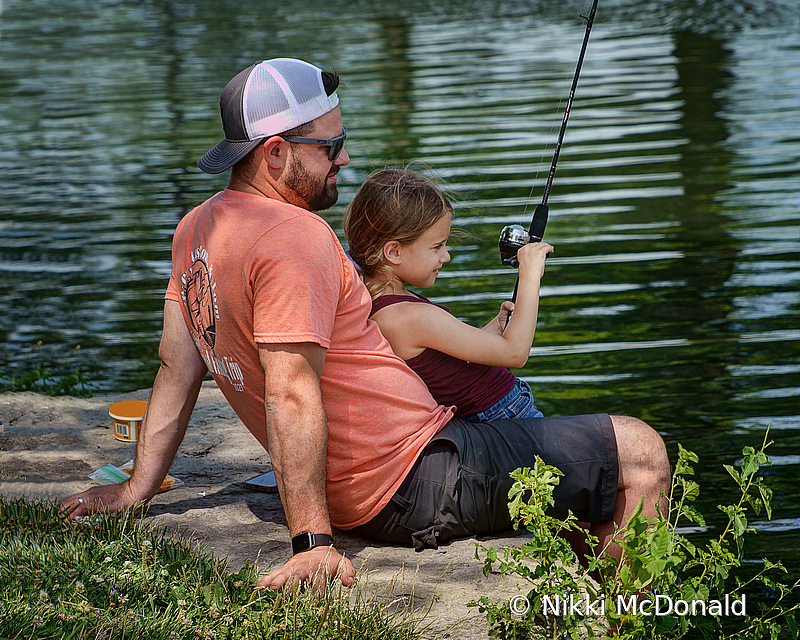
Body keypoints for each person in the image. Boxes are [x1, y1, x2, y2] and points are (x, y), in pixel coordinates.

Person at [61, 58, 671, 592]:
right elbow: (292, 389)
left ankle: (588, 609)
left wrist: (137, 487)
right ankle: (631, 617)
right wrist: (311, 545)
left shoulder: (198, 228)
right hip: (414, 478)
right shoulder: (294, 237)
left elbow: (178, 365)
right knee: (640, 451)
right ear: (275, 153)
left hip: (395, 471)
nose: (345, 158)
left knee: (587, 487)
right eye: (331, 145)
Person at [344, 167, 552, 422]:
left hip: (497, 410)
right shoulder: (407, 317)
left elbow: (450, 362)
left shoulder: (389, 305)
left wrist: (493, 330)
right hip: (505, 415)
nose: (446, 256)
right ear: (394, 252)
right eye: (437, 247)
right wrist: (530, 276)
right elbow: (515, 354)